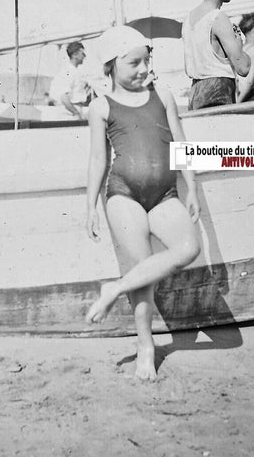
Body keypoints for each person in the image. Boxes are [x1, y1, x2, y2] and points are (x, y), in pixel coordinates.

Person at [86, 25, 201, 382]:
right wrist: (89, 205)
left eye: (145, 60)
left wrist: (192, 188)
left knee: (189, 247)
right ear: (111, 66)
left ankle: (113, 289)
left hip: (164, 194)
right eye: (133, 63)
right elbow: (97, 160)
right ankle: (146, 347)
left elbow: (181, 144)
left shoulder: (163, 95)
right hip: (123, 194)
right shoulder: (100, 106)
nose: (142, 69)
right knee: (143, 276)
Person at [182, 0, 251, 110]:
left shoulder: (188, 19)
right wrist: (239, 46)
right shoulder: (218, 17)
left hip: (195, 94)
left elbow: (188, 68)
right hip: (218, 94)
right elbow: (243, 68)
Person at [49, 41, 95, 120]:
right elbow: (64, 98)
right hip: (69, 114)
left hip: (75, 110)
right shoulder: (69, 72)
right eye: (82, 54)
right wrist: (77, 114)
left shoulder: (74, 72)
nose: (85, 56)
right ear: (75, 55)